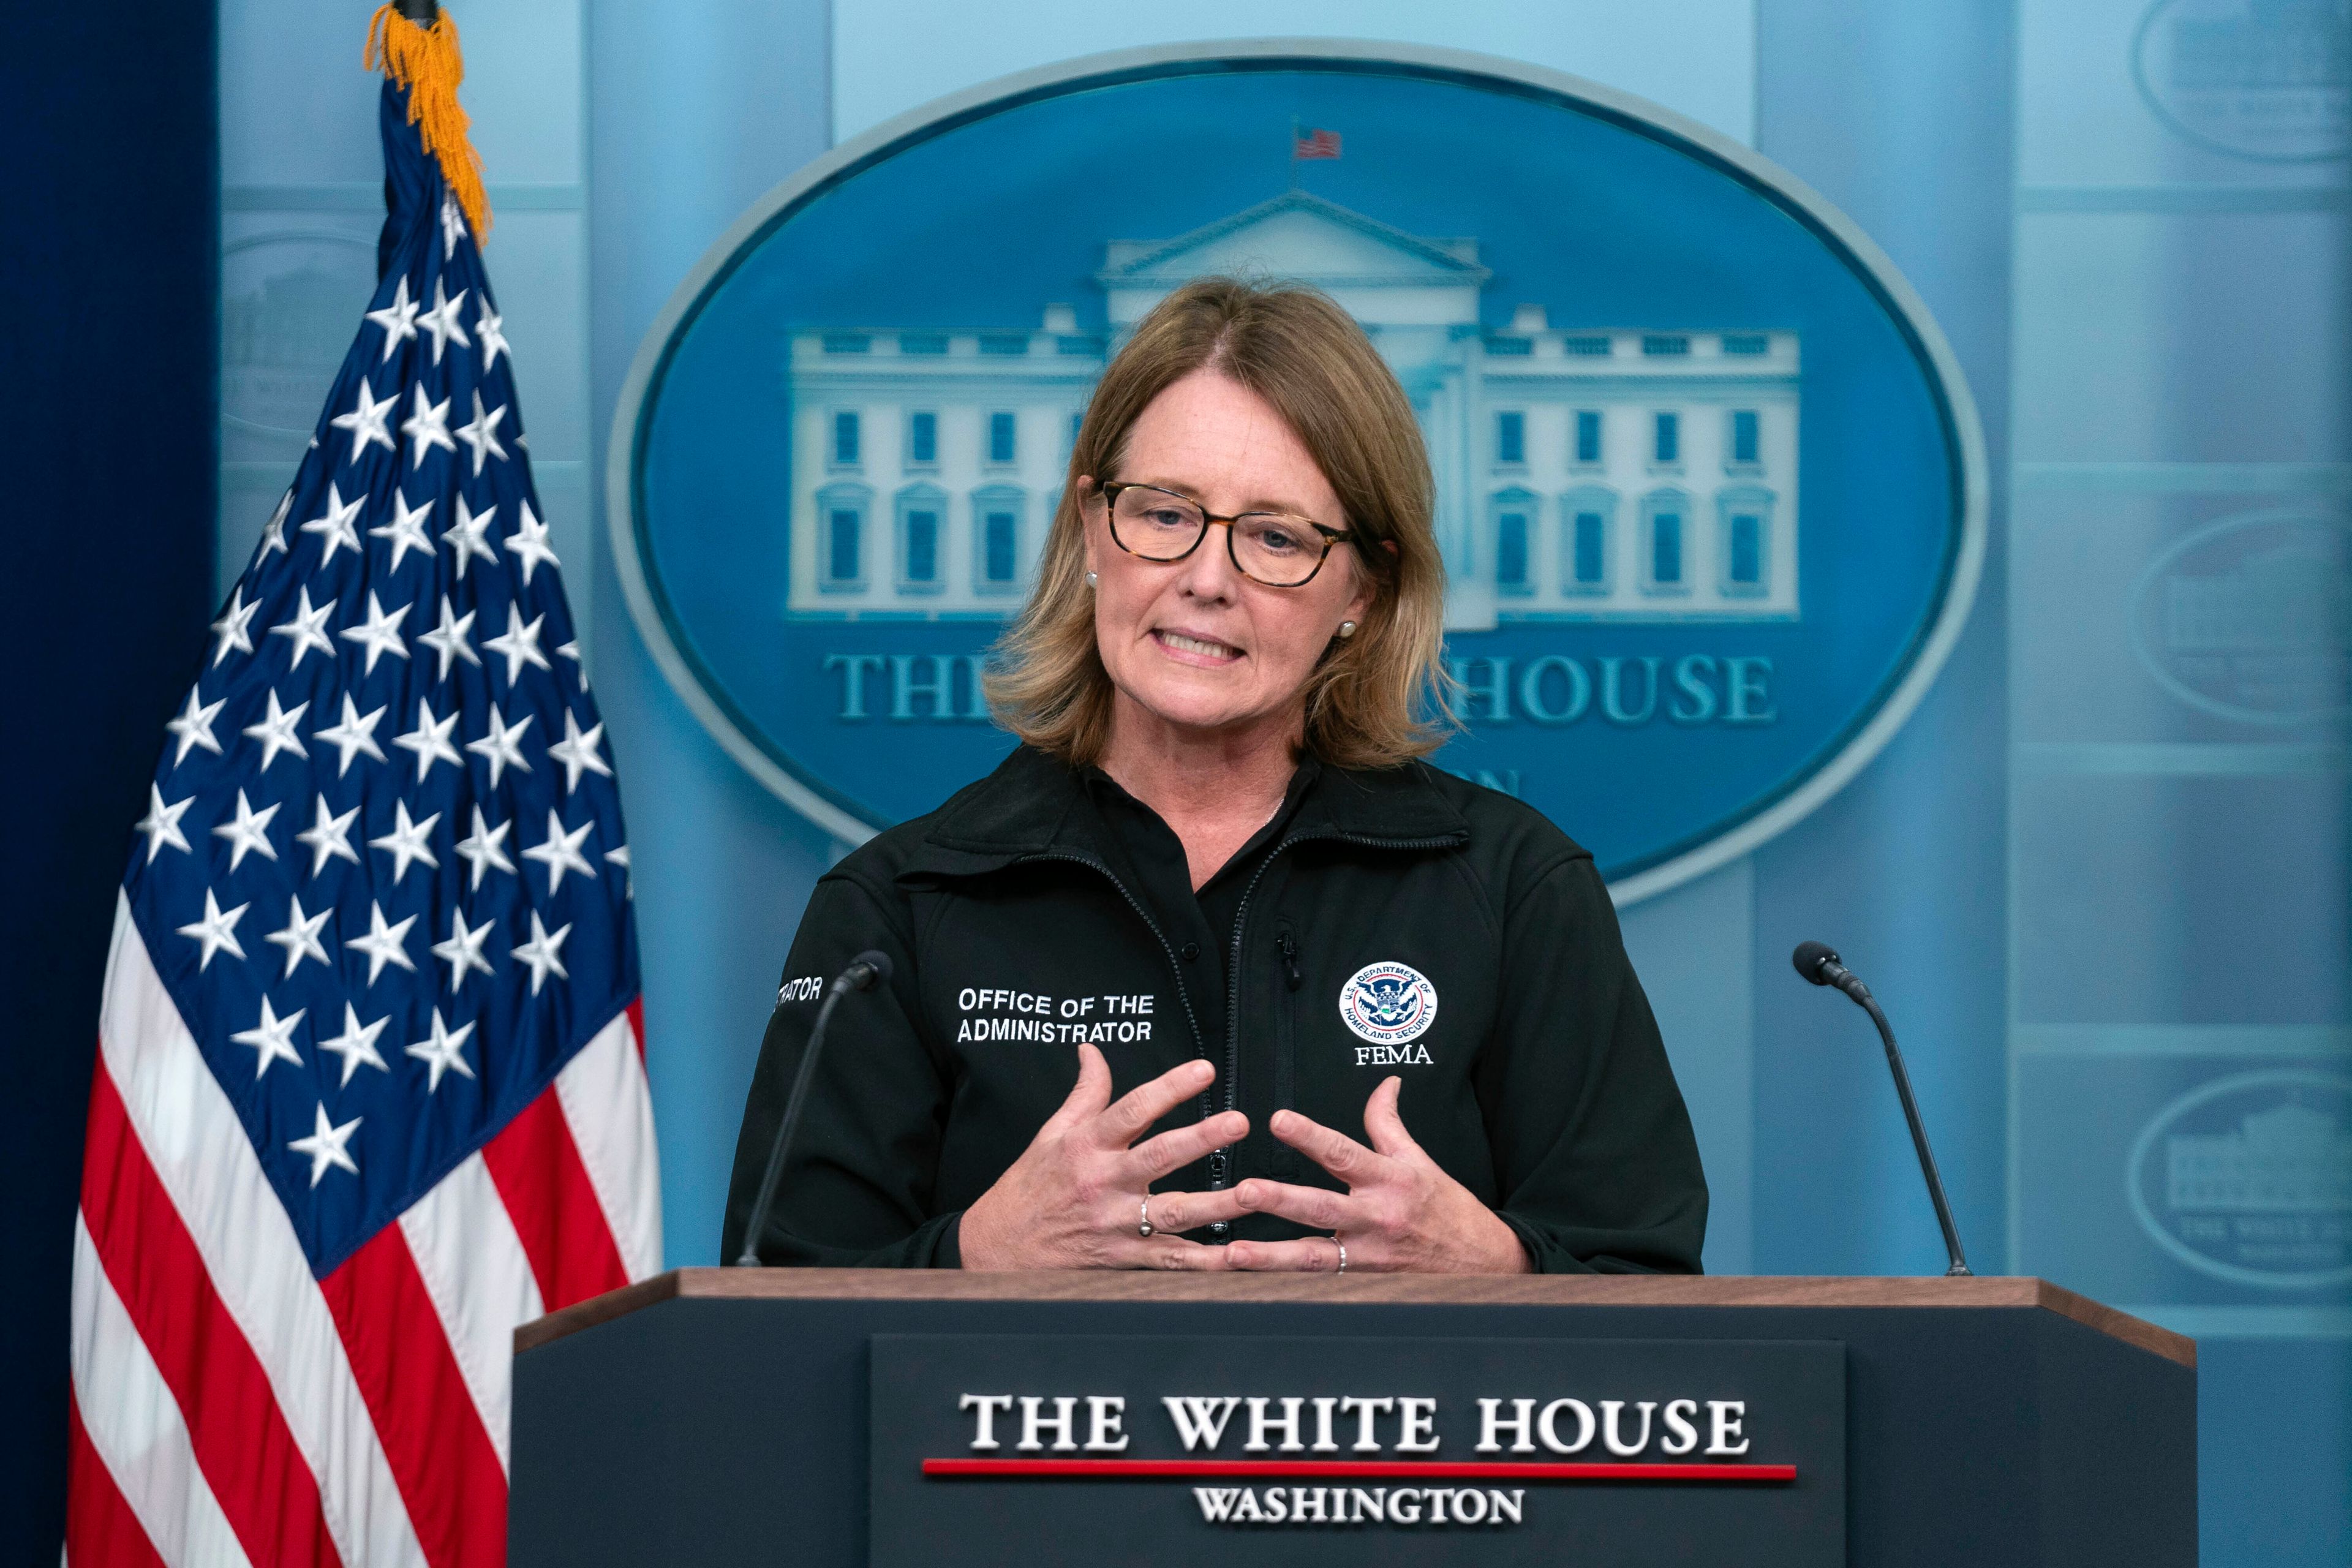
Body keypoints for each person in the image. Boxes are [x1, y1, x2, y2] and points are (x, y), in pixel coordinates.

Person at [722, 277, 1706, 1273]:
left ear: (1365, 587)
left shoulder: (1512, 888)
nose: (1206, 577)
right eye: (1164, 514)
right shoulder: (896, 910)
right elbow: (767, 1323)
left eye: (1277, 537)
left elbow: (1651, 1285)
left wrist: (1494, 1268)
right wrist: (981, 1253)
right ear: (1091, 532)